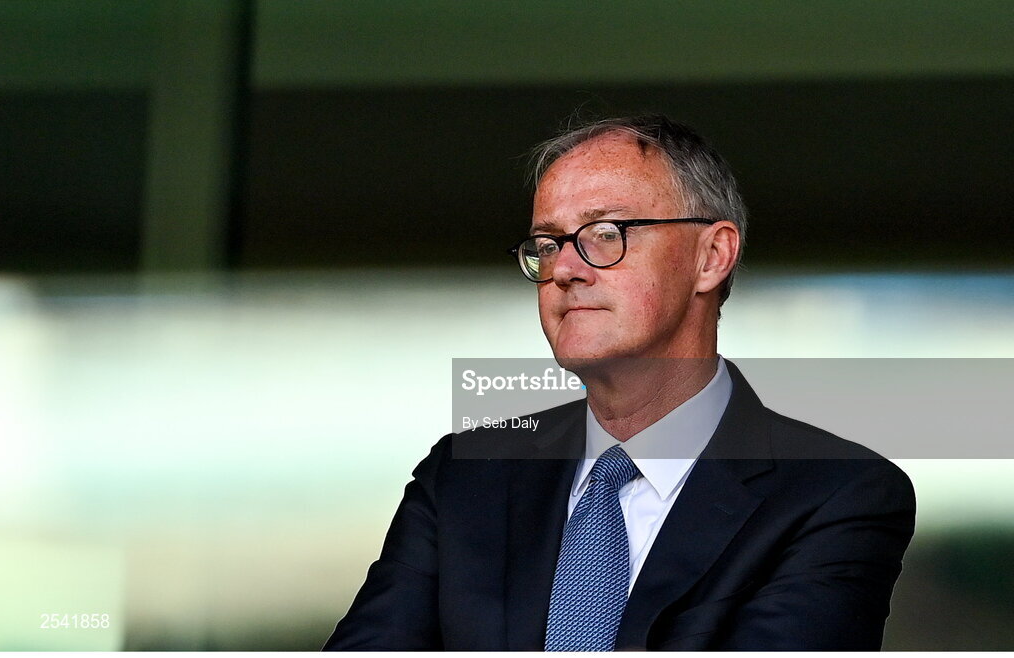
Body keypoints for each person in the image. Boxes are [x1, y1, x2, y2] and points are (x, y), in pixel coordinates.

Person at [324, 114, 916, 651]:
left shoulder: (835, 494)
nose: (563, 268)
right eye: (547, 243)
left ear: (711, 256)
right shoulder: (464, 474)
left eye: (604, 233)